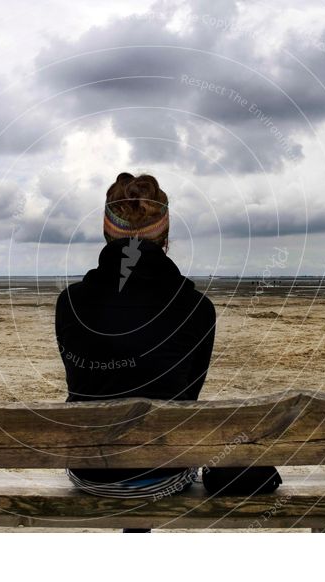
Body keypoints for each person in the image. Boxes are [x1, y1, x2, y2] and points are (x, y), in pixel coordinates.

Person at [56, 173, 216, 500]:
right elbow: (189, 395)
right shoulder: (198, 309)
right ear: (165, 237)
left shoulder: (69, 303)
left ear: (106, 233)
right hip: (165, 473)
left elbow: (80, 382)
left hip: (90, 472)